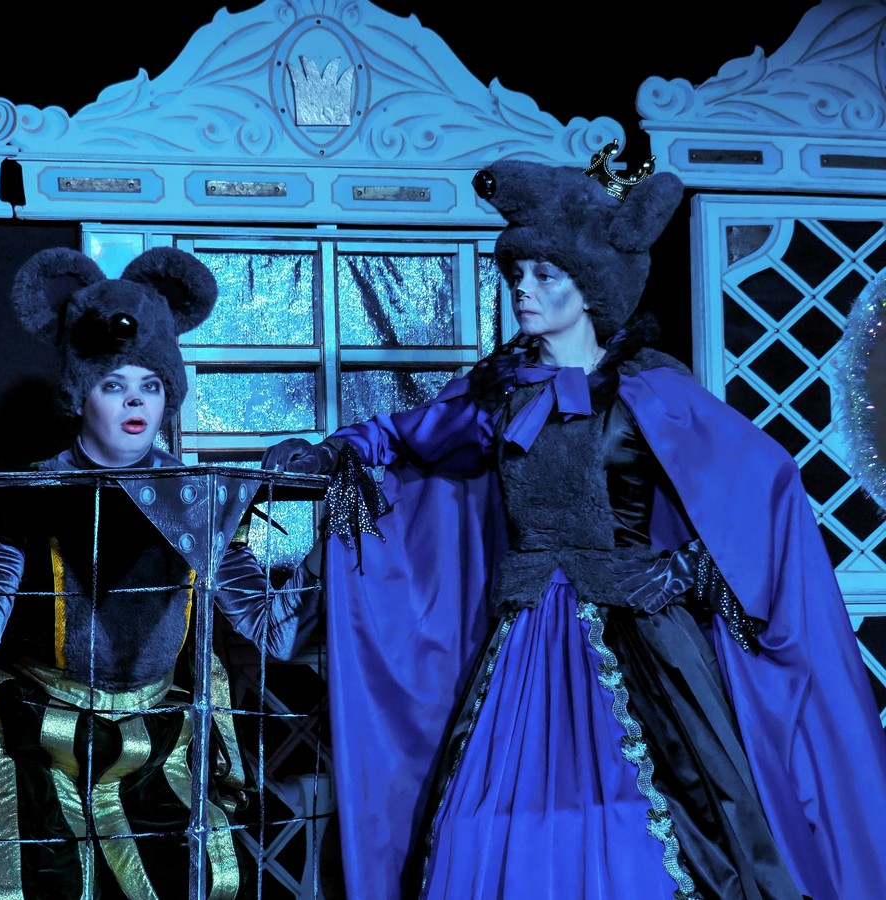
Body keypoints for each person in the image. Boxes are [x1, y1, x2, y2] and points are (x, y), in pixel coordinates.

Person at [263, 143, 886, 899]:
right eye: (517, 275)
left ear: (590, 287)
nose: (524, 291)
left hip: (644, 639)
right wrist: (332, 452)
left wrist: (688, 566)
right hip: (526, 636)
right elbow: (403, 437)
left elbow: (763, 490)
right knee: (482, 820)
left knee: (643, 821)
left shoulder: (653, 391)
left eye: (545, 275)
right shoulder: (500, 395)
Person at [0, 245, 322, 899]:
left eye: (151, 385)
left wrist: (330, 519)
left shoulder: (197, 499)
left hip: (156, 748)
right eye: (113, 384)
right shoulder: (29, 495)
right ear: (79, 395)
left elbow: (277, 633)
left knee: (192, 881)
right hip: (40, 745)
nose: (134, 401)